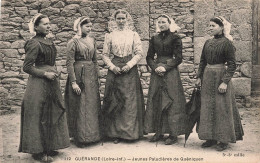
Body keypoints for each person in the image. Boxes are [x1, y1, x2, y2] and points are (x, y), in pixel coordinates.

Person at [19, 13, 70, 162]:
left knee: (52, 112)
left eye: (49, 23)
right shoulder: (34, 43)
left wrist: (56, 70)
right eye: (45, 24)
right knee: (40, 115)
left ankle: (49, 146)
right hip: (39, 83)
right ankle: (38, 151)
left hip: (52, 81)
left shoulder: (49, 41)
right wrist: (44, 74)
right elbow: (27, 67)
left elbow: (51, 62)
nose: (48, 26)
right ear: (36, 27)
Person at [195, 16, 244, 151]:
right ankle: (210, 137)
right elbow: (202, 61)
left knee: (221, 108)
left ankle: (223, 139)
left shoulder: (227, 43)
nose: (210, 28)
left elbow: (232, 65)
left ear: (221, 27)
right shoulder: (207, 43)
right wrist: (199, 77)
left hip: (220, 76)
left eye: (213, 26)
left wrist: (225, 82)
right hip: (207, 76)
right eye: (209, 26)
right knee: (207, 106)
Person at [101, 9, 145, 144]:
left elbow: (139, 53)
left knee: (129, 100)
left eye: (123, 19)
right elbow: (104, 54)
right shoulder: (110, 35)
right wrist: (112, 67)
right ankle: (115, 133)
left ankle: (130, 133)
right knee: (115, 99)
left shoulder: (133, 34)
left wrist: (129, 65)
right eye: (118, 19)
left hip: (129, 69)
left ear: (127, 20)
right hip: (115, 68)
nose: (121, 21)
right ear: (115, 20)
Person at [144, 14, 187, 145]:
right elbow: (149, 57)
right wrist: (155, 67)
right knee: (157, 100)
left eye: (164, 22)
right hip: (157, 72)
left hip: (170, 72)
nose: (161, 24)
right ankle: (158, 131)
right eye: (159, 22)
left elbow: (178, 58)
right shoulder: (154, 38)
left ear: (169, 23)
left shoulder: (175, 37)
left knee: (172, 101)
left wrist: (165, 67)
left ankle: (173, 133)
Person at [64, 16, 101, 147]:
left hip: (91, 75)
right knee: (80, 105)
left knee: (91, 105)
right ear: (80, 27)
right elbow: (69, 63)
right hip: (79, 74)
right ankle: (80, 137)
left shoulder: (92, 40)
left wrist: (98, 76)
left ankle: (93, 135)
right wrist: (73, 82)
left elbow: (95, 60)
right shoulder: (73, 42)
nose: (89, 29)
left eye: (91, 26)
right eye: (87, 26)